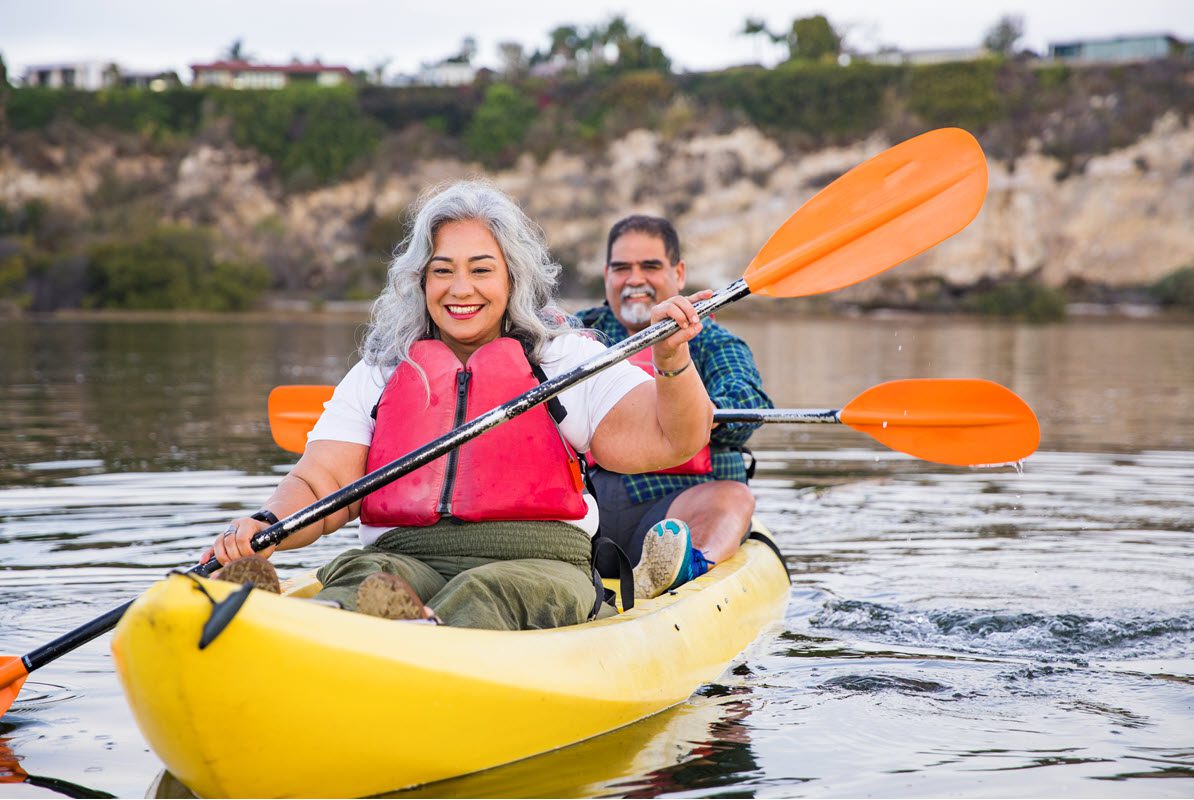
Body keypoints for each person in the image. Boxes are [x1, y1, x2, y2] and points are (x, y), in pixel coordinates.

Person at [200, 180, 715, 629]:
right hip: (406, 557)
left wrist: (671, 357)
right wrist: (267, 524)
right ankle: (310, 626)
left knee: (485, 592)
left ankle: (418, 639)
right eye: (443, 270)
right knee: (363, 579)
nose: (460, 289)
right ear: (421, 280)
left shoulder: (565, 359)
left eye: (481, 270)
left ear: (513, 277)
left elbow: (673, 438)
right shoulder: (382, 370)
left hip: (536, 563)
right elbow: (321, 483)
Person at [576, 214, 772, 590]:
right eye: (622, 268)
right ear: (606, 276)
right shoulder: (578, 334)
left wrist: (696, 413)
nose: (634, 279)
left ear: (678, 274)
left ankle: (688, 564)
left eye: (649, 266)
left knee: (734, 496)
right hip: (590, 509)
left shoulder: (713, 341)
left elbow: (747, 399)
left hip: (680, 506)